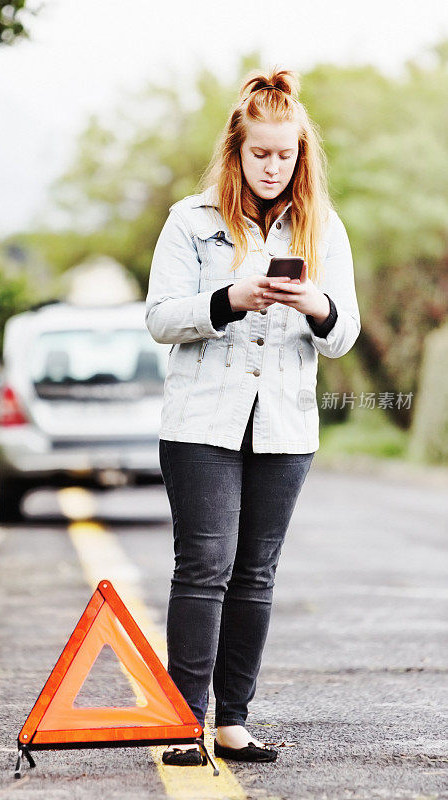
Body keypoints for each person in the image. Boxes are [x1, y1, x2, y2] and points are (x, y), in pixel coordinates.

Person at [145, 68, 360, 765]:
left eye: (286, 153)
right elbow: (159, 318)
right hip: (201, 424)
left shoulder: (323, 228)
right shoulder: (192, 220)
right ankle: (184, 724)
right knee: (205, 564)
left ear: (301, 153)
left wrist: (315, 304)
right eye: (260, 152)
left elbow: (345, 330)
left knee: (256, 573)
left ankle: (232, 723)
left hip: (285, 426)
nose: (273, 165)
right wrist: (230, 298)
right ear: (237, 151)